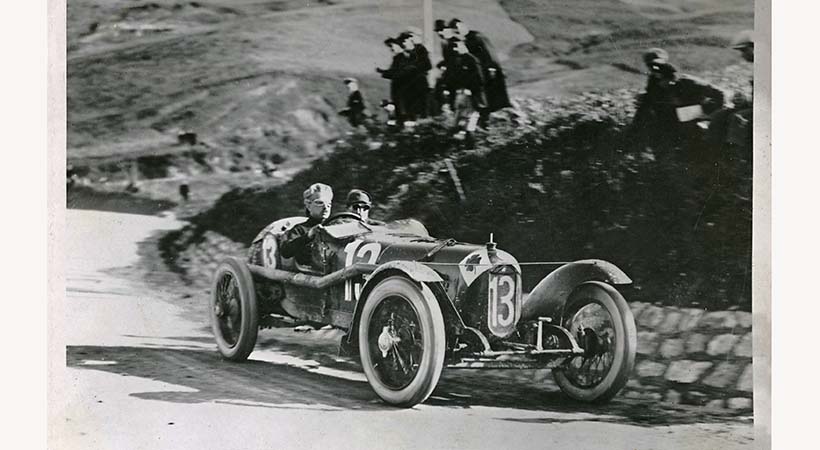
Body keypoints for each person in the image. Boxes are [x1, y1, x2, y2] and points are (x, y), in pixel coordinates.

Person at [631, 57, 725, 150]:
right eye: (658, 81)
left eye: (663, 81)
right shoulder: (659, 87)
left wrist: (705, 110)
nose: (661, 84)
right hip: (676, 118)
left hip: (695, 115)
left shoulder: (689, 83)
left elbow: (720, 94)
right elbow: (650, 99)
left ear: (671, 79)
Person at [450, 18, 511, 126]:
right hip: (480, 74)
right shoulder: (465, 41)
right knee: (484, 101)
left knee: (493, 101)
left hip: (489, 73)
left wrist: (492, 69)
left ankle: (499, 123)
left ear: (463, 25)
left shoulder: (477, 37)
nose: (458, 31)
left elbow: (490, 53)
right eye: (455, 30)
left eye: (458, 28)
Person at [280, 183, 333, 266]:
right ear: (308, 205)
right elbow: (285, 252)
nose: (326, 207)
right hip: (311, 272)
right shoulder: (300, 229)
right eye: (320, 203)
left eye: (329, 204)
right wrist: (308, 236)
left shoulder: (334, 226)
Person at [449, 38, 486, 139]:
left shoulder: (471, 60)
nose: (457, 49)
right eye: (456, 47)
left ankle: (467, 135)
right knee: (461, 113)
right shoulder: (458, 60)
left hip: (470, 92)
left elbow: (477, 77)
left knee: (469, 114)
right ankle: (462, 134)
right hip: (461, 92)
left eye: (459, 46)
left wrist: (472, 89)